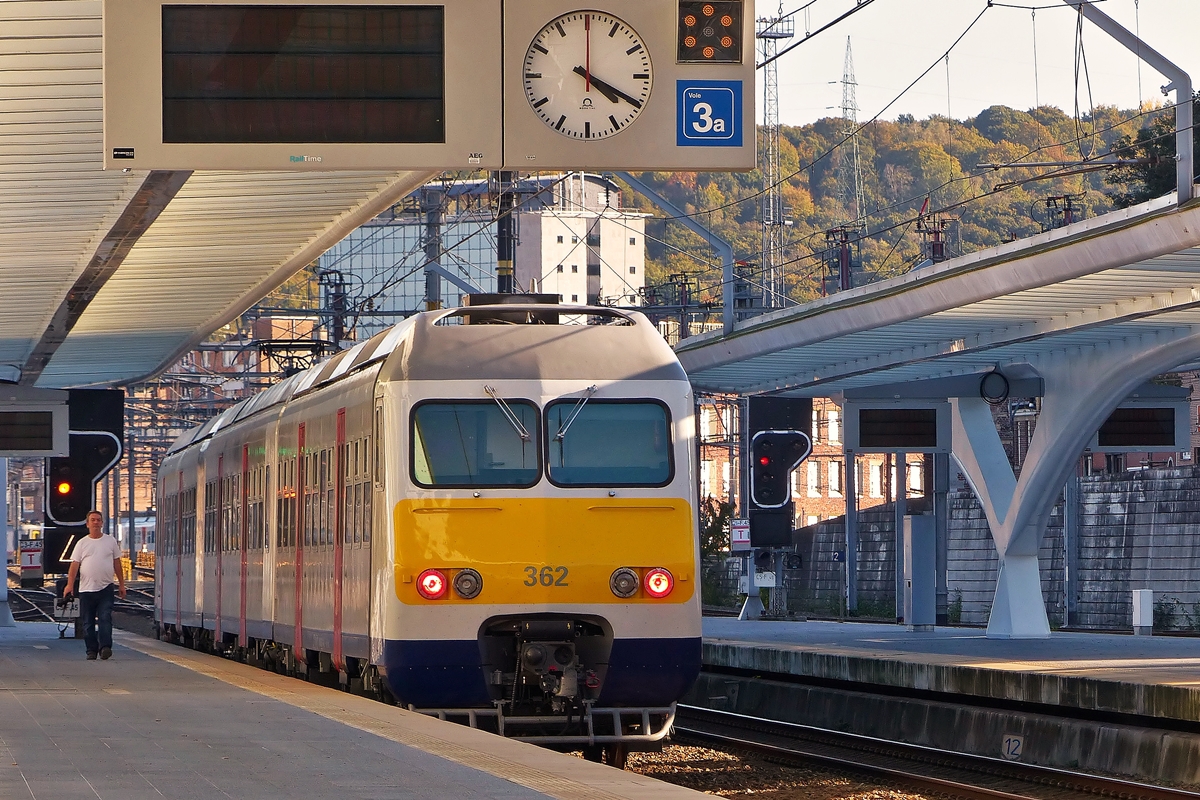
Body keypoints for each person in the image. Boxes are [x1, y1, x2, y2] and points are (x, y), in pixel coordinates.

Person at [64, 510, 126, 660]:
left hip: (106, 587)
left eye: (98, 520)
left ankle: (105, 647)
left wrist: (121, 584)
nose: (96, 523)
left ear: (102, 523)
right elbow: (74, 565)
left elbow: (117, 563)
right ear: (87, 524)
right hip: (86, 589)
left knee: (105, 617)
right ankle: (91, 650)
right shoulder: (82, 543)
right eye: (93, 520)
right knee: (88, 622)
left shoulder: (110, 541)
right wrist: (69, 585)